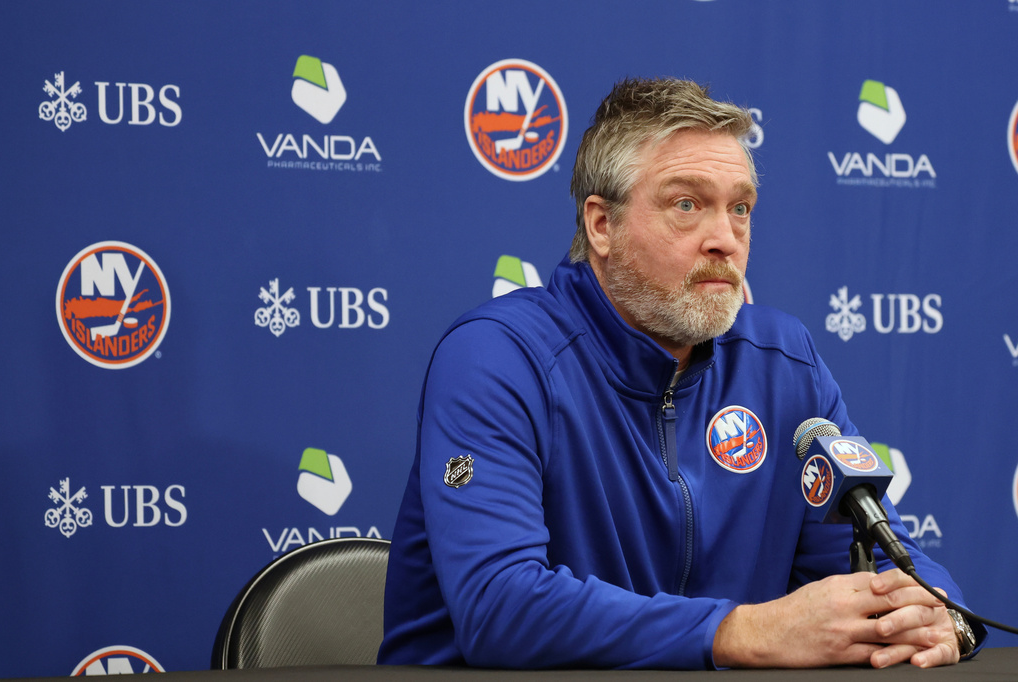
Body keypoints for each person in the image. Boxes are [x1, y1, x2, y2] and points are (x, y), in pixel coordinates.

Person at [378, 78, 985, 670]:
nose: (725, 238)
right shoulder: (499, 358)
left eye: (740, 208)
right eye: (687, 204)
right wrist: (741, 632)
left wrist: (939, 615)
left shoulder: (785, 361)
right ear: (601, 225)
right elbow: (501, 608)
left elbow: (881, 562)